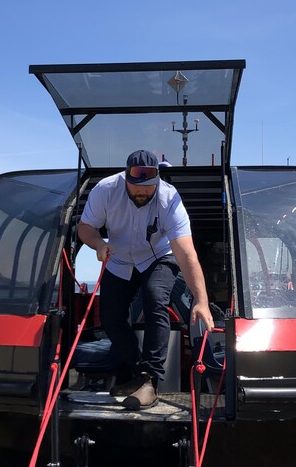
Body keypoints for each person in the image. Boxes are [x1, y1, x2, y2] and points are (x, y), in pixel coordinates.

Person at [78, 150, 214, 410]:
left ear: (157, 181)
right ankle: (138, 374)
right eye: (136, 187)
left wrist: (202, 300)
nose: (142, 193)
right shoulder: (105, 190)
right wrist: (98, 243)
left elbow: (186, 252)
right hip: (118, 258)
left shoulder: (169, 198)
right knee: (109, 316)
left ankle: (150, 380)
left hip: (158, 257)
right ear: (125, 178)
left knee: (155, 299)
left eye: (148, 189)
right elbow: (85, 227)